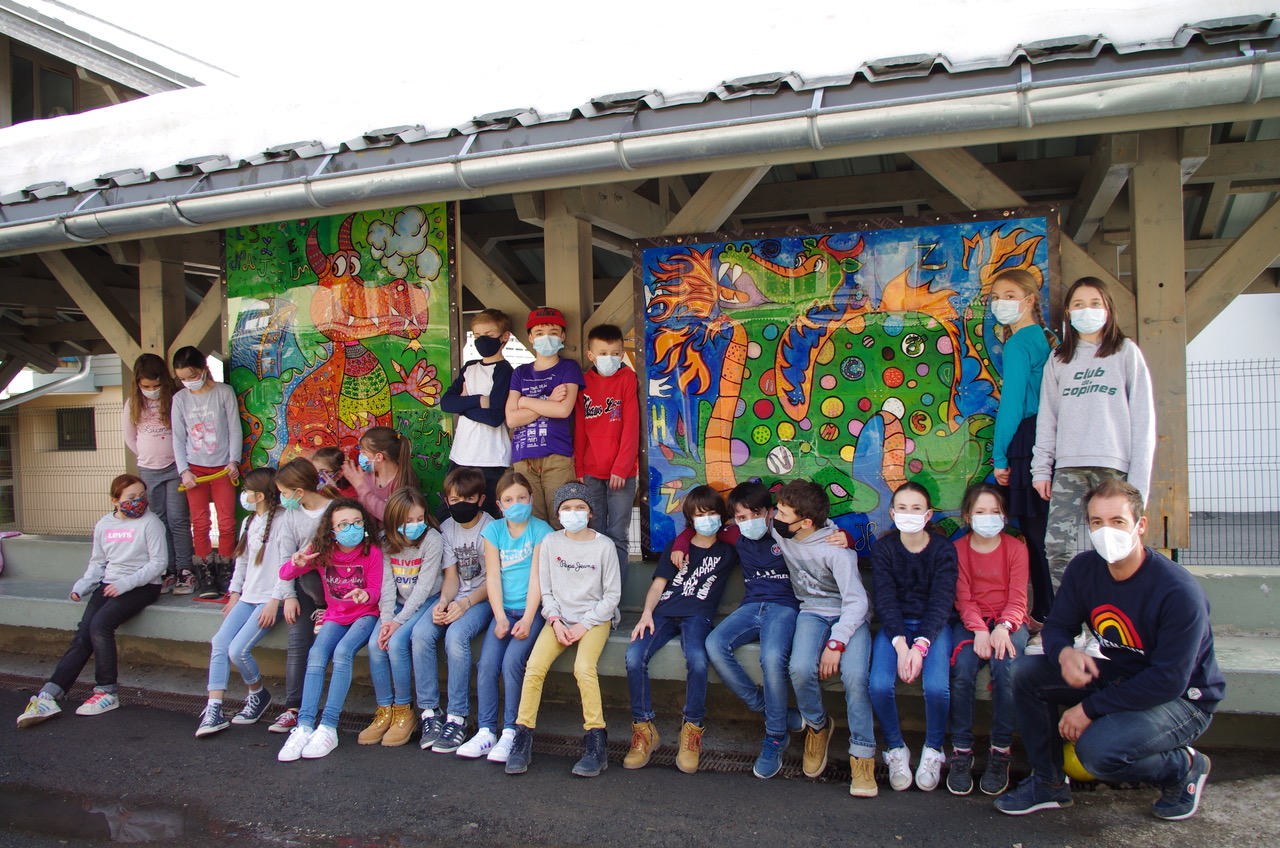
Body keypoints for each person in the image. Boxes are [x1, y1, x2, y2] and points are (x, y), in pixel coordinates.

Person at [995, 479, 1224, 821]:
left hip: (1183, 698)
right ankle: (1048, 783)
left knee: (1099, 753)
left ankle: (1184, 767)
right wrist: (1064, 653)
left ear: (1140, 525)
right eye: (1097, 522)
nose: (1106, 531)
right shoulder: (1084, 569)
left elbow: (1168, 680)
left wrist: (1089, 708)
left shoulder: (1178, 592)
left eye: (1118, 521)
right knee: (1026, 674)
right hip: (1121, 675)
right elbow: (1058, 626)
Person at [1031, 277, 1156, 597]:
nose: (1087, 310)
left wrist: (1138, 488)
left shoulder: (1125, 352)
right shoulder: (1059, 358)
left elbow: (1144, 421)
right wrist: (1042, 469)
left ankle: (1117, 619)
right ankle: (1072, 622)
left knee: (1117, 547)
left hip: (1114, 469)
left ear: (1108, 309)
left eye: (1095, 303)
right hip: (1068, 468)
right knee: (1057, 548)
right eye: (1079, 304)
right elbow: (1048, 418)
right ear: (1069, 313)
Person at [17, 474, 166, 726]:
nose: (138, 502)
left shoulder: (151, 523)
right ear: (114, 500)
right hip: (109, 585)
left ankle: (107, 692)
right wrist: (83, 586)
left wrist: (125, 584)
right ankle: (48, 695)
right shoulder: (104, 525)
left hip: (142, 586)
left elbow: (159, 563)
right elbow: (98, 563)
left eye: (142, 496)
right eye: (130, 497)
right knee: (83, 634)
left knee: (101, 625)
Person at [505, 481, 621, 777]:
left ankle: (596, 741)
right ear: (558, 514)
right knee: (534, 667)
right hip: (559, 619)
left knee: (583, 668)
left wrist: (584, 625)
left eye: (580, 508)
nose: (574, 513)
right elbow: (547, 591)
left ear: (590, 512)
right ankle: (522, 735)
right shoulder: (551, 544)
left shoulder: (604, 546)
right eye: (567, 508)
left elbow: (611, 596)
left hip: (594, 619)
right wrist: (555, 621)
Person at [624, 485, 738, 774]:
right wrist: (646, 614)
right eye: (699, 515)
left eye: (712, 513)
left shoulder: (727, 550)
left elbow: (745, 527)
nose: (706, 519)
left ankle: (692, 731)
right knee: (634, 656)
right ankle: (644, 729)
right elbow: (658, 586)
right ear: (690, 520)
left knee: (698, 661)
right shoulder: (677, 547)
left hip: (697, 617)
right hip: (663, 613)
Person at [774, 479, 877, 797]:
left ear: (805, 522)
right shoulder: (783, 529)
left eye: (782, 512)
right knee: (800, 668)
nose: (775, 517)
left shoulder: (837, 552)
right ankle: (817, 726)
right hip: (812, 612)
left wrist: (837, 643)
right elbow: (743, 522)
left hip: (849, 615)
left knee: (856, 676)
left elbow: (857, 602)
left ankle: (863, 757)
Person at [276, 498, 383, 761]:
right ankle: (304, 726)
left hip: (365, 614)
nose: (351, 528)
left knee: (344, 652)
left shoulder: (373, 552)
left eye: (357, 522)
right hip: (336, 615)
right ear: (332, 529)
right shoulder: (323, 550)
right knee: (316, 655)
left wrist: (365, 595)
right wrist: (297, 563)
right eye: (343, 524)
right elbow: (285, 574)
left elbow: (376, 590)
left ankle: (328, 727)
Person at [869, 481, 958, 792]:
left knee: (936, 688)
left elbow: (941, 602)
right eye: (902, 508)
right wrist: (901, 643)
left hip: (933, 627)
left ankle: (933, 749)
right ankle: (896, 749)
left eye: (916, 508)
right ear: (892, 513)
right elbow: (885, 599)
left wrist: (919, 646)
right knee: (879, 685)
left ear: (928, 514)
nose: (909, 514)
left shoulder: (943, 549)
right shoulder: (884, 549)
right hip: (895, 628)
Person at [459, 471, 552, 761]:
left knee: (513, 662)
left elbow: (537, 579)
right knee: (487, 664)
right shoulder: (494, 532)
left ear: (531, 499)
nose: (516, 504)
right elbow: (493, 579)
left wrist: (526, 618)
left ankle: (511, 731)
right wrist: (499, 617)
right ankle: (487, 731)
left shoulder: (542, 531)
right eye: (509, 500)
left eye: (522, 498)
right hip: (504, 611)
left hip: (531, 612)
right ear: (499, 505)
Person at [945, 483, 1029, 796]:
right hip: (972, 624)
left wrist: (1004, 626)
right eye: (981, 512)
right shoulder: (958, 550)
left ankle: (1000, 751)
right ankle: (962, 750)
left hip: (1009, 623)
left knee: (1005, 669)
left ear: (1004, 516)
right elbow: (963, 597)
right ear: (968, 516)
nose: (988, 517)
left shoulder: (1016, 549)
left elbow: (1018, 597)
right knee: (963, 671)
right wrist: (979, 628)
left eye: (995, 512)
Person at [195, 468, 286, 737]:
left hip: (271, 600)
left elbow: (285, 567)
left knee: (238, 650)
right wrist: (234, 594)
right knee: (219, 643)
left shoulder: (283, 521)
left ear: (259, 495)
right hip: (247, 597)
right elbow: (242, 562)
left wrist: (274, 602)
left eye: (245, 490)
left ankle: (258, 694)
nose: (242, 494)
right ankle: (214, 708)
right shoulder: (249, 522)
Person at [988, 269, 1055, 624]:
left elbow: (1012, 405)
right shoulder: (1046, 337)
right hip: (1047, 436)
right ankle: (1048, 607)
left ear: (1029, 300)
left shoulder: (1018, 343)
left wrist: (1000, 457)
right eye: (996, 296)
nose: (1000, 303)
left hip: (1026, 439)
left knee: (1034, 534)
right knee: (1042, 532)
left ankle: (1048, 610)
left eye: (1010, 295)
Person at [411, 466, 494, 752]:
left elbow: (494, 582)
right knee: (421, 634)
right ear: (446, 501)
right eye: (454, 500)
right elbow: (450, 577)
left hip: (482, 600)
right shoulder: (446, 529)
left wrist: (466, 603)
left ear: (480, 499)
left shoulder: (491, 528)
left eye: (467, 499)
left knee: (456, 636)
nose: (460, 505)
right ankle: (430, 713)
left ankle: (457, 716)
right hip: (455, 596)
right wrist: (444, 603)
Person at [358, 488, 444, 748]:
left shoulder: (432, 539)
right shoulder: (385, 540)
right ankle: (386, 709)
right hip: (396, 605)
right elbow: (386, 585)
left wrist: (397, 622)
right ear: (395, 521)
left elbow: (424, 588)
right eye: (408, 521)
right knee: (376, 645)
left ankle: (405, 710)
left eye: (420, 519)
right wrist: (387, 619)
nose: (415, 525)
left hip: (425, 601)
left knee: (396, 644)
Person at [265, 458, 335, 733]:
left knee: (325, 651)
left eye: (284, 493)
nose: (283, 499)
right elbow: (285, 559)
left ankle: (324, 711)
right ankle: (293, 708)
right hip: (303, 588)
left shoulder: (335, 509)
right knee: (297, 643)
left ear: (300, 491)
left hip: (336, 588)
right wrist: (288, 596)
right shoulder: (291, 516)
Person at [171, 346, 242, 598]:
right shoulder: (180, 399)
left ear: (203, 369)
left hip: (223, 467)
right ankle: (205, 573)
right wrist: (184, 471)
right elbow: (178, 438)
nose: (189, 381)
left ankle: (226, 570)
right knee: (199, 523)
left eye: (192, 375)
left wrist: (234, 461)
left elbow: (235, 429)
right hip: (195, 469)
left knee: (227, 522)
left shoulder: (224, 392)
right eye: (183, 378)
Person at [121, 353, 194, 594]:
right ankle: (167, 569)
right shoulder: (133, 403)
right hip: (148, 470)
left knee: (178, 520)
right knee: (157, 521)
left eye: (156, 385)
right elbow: (130, 437)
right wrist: (147, 455)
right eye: (146, 386)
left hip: (176, 467)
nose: (151, 390)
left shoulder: (175, 399)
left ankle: (185, 569)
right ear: (138, 384)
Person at [505, 306, 584, 528]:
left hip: (557, 456)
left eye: (553, 332)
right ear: (530, 338)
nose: (546, 337)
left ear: (563, 336)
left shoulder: (568, 367)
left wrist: (525, 401)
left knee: (562, 518)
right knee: (532, 523)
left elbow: (563, 411)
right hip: (523, 456)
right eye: (539, 333)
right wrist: (548, 401)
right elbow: (511, 419)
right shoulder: (520, 372)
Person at [574, 322, 639, 578]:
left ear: (622, 354)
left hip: (621, 473)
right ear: (591, 355)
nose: (608, 358)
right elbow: (579, 429)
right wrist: (579, 468)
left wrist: (621, 468)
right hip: (590, 471)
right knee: (594, 532)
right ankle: (594, 590)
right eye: (602, 353)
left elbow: (631, 427)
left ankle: (615, 598)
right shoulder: (583, 383)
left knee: (617, 535)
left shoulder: (627, 378)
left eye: (614, 353)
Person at [441, 308, 514, 518]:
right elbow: (446, 403)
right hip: (461, 456)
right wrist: (477, 401)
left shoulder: (505, 370)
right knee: (448, 514)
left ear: (504, 336)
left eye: (489, 335)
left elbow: (494, 417)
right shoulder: (469, 367)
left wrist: (462, 406)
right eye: (477, 335)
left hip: (491, 459)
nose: (482, 340)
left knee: (490, 516)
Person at [341, 426, 417, 524]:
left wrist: (360, 487)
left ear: (379, 457)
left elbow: (393, 517)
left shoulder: (404, 480)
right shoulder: (366, 477)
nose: (360, 455)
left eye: (363, 452)